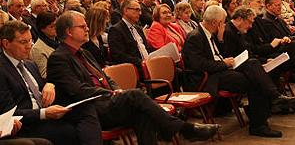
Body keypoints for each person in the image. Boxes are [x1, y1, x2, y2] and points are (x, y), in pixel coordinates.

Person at [46, 11, 220, 145]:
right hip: (90, 109)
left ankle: (179, 129)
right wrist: (111, 94)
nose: (87, 29)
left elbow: (104, 76)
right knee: (135, 95)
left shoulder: (83, 52)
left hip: (106, 101)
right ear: (69, 31)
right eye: (82, 27)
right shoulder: (59, 57)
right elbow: (77, 91)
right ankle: (184, 129)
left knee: (142, 115)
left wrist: (115, 89)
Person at [182, 5, 295, 138]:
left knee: (252, 65)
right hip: (209, 77)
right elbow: (198, 65)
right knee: (255, 81)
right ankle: (261, 121)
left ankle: (273, 102)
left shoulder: (211, 33)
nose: (224, 24)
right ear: (215, 22)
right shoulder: (195, 36)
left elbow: (218, 54)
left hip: (220, 71)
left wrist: (221, 42)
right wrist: (224, 63)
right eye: (223, 21)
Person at [0, 21, 100, 145]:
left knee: (86, 110)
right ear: (6, 44)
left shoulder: (29, 65)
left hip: (46, 113)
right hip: (25, 124)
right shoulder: (2, 70)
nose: (29, 46)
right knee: (69, 131)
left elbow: (42, 89)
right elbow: (9, 112)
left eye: (30, 41)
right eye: (23, 42)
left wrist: (50, 84)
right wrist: (44, 114)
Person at [108, 0, 152, 76]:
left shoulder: (138, 28)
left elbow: (146, 48)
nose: (140, 13)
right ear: (125, 11)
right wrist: (141, 62)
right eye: (137, 10)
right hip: (133, 69)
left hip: (148, 64)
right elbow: (119, 56)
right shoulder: (116, 30)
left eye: (140, 10)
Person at [30, 12, 59, 78]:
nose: (56, 28)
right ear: (42, 29)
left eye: (56, 25)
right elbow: (44, 75)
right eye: (52, 26)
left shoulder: (59, 40)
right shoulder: (37, 49)